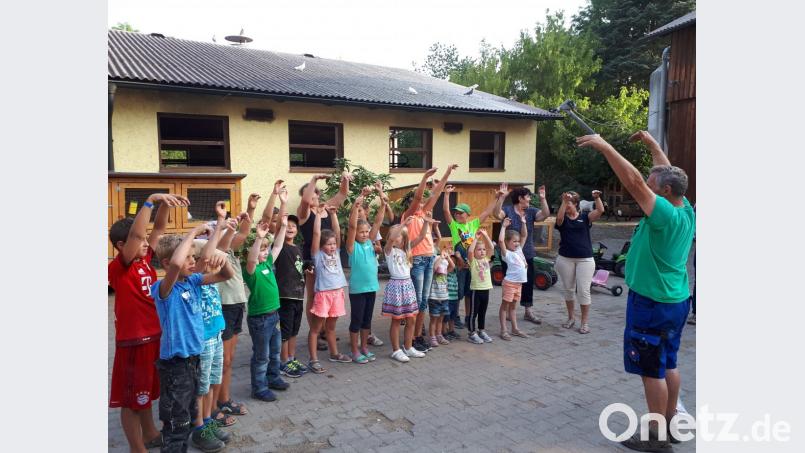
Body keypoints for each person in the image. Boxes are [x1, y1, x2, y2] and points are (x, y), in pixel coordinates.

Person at [577, 130, 695, 451]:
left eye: (652, 183)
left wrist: (605, 147)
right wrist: (653, 144)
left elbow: (633, 182)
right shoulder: (684, 208)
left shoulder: (665, 215)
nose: (647, 184)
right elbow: (666, 173)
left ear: (665, 191)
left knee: (651, 370)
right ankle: (670, 422)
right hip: (675, 301)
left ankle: (656, 436)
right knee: (669, 364)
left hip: (652, 304)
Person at [108, 192, 187, 453]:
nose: (145, 242)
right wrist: (151, 200)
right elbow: (137, 235)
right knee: (131, 400)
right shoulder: (120, 266)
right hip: (134, 342)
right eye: (139, 239)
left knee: (144, 393)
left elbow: (159, 229)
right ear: (122, 245)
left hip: (154, 336)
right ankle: (136, 447)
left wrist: (164, 205)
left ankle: (151, 433)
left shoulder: (143, 260)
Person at [151, 225, 235, 453]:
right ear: (166, 263)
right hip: (175, 366)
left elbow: (226, 275)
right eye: (188, 256)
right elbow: (176, 265)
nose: (192, 261)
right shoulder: (163, 288)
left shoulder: (193, 281)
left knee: (189, 414)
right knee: (176, 423)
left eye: (192, 256)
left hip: (194, 360)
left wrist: (222, 258)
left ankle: (194, 434)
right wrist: (193, 233)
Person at [190, 206, 233, 451]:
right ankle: (198, 428)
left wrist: (221, 222)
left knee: (211, 382)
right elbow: (207, 255)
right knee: (201, 386)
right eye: (204, 257)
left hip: (216, 334)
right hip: (202, 340)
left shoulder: (213, 276)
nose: (210, 259)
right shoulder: (194, 279)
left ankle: (207, 421)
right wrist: (217, 223)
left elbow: (218, 253)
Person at [402, 165, 457, 352]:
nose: (421, 202)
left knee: (424, 301)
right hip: (417, 261)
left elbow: (436, 194)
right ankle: (410, 339)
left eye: (422, 201)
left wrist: (447, 173)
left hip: (429, 259)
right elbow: (418, 197)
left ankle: (418, 336)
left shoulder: (424, 214)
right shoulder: (408, 216)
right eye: (417, 201)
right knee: (417, 301)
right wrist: (425, 177)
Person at [243, 193, 291, 402]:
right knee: (261, 356)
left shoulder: (268, 264)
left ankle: (273, 378)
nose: (265, 253)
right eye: (262, 251)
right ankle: (259, 387)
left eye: (265, 250)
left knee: (274, 352)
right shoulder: (251, 269)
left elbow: (278, 245)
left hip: (274, 315)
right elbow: (252, 259)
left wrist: (283, 225)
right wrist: (258, 239)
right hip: (260, 319)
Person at [297, 173, 353, 351]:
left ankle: (326, 330)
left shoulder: (326, 207)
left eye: (315, 195)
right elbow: (305, 201)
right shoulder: (304, 213)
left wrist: (345, 179)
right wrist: (314, 180)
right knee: (314, 295)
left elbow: (342, 194)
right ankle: (315, 330)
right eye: (309, 194)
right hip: (312, 256)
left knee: (327, 292)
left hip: (330, 254)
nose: (312, 198)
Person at [443, 183, 508, 330]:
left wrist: (496, 198)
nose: (457, 215)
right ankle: (455, 316)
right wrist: (446, 195)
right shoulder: (454, 226)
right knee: (458, 292)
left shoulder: (473, 224)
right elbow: (446, 211)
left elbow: (487, 212)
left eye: (461, 213)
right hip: (460, 265)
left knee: (469, 292)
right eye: (456, 213)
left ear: (467, 214)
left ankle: (468, 316)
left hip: (473, 266)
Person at [214, 210, 252, 418]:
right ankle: (214, 405)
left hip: (237, 306)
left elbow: (244, 234)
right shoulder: (217, 254)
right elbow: (223, 244)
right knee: (223, 361)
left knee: (229, 359)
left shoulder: (231, 252)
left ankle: (224, 399)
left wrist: (250, 211)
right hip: (225, 307)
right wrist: (229, 226)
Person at [382, 217, 434, 362]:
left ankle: (408, 347)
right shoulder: (389, 250)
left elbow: (422, 237)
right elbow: (391, 239)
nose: (395, 237)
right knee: (396, 320)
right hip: (396, 287)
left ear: (404, 238)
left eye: (399, 234)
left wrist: (426, 222)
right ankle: (396, 350)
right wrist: (403, 224)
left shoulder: (407, 249)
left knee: (411, 319)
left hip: (408, 285)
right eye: (394, 234)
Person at [554, 190, 605, 334]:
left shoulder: (585, 217)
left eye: (569, 203)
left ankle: (584, 322)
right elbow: (559, 220)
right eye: (564, 203)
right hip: (565, 259)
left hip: (585, 260)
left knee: (583, 291)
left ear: (576, 204)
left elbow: (600, 211)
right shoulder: (562, 218)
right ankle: (571, 318)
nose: (566, 205)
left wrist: (597, 198)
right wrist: (564, 201)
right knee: (569, 290)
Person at [498, 185, 550, 324]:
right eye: (528, 197)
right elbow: (497, 214)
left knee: (527, 283)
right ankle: (507, 311)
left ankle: (528, 311)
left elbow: (545, 215)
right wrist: (501, 198)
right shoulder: (507, 210)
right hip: (508, 256)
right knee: (509, 282)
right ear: (521, 198)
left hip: (526, 253)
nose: (530, 199)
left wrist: (543, 199)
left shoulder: (531, 211)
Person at [308, 205, 351, 372]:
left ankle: (335, 354)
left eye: (333, 244)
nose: (332, 246)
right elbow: (316, 234)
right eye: (328, 244)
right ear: (321, 246)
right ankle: (313, 359)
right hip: (323, 295)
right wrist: (318, 215)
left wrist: (333, 215)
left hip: (337, 293)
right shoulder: (318, 256)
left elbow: (337, 232)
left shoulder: (337, 254)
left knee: (331, 327)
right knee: (316, 328)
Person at [346, 189, 387, 364]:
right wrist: (357, 204)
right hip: (357, 290)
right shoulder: (352, 247)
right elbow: (351, 226)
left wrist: (383, 204)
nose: (364, 234)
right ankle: (354, 351)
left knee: (366, 321)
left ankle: (364, 347)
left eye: (366, 231)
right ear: (355, 234)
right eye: (361, 232)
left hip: (371, 288)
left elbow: (377, 221)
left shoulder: (370, 243)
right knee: (356, 321)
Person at [275, 213, 309, 378]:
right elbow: (278, 231)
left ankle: (291, 357)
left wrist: (307, 266)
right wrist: (281, 223)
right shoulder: (279, 246)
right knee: (285, 331)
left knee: (294, 330)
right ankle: (283, 362)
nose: (290, 228)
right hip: (285, 296)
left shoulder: (298, 248)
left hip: (298, 295)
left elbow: (297, 267)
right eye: (287, 226)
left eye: (293, 226)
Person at [496, 216, 530, 340]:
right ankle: (503, 330)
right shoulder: (507, 253)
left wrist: (523, 223)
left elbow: (524, 235)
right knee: (505, 306)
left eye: (517, 241)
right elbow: (500, 241)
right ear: (507, 242)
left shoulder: (519, 250)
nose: (517, 243)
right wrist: (503, 226)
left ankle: (515, 329)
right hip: (510, 284)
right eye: (514, 241)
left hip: (518, 284)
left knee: (513, 307)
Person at [466, 229, 495, 344]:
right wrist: (476, 238)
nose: (482, 251)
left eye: (483, 249)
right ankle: (471, 333)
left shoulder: (486, 259)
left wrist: (486, 235)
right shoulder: (473, 261)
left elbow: (491, 248)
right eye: (479, 249)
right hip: (476, 290)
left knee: (483, 312)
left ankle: (481, 331)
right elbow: (470, 251)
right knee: (473, 313)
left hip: (486, 289)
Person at [427, 249, 455, 347]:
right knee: (433, 319)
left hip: (444, 298)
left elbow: (453, 266)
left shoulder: (446, 271)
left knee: (440, 319)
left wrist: (448, 257)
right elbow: (434, 267)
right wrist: (440, 258)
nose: (442, 269)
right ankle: (432, 337)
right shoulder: (433, 272)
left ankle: (439, 335)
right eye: (441, 266)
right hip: (434, 298)